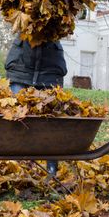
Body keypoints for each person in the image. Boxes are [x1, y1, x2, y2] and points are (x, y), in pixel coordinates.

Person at [5, 34, 67, 176]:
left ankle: (51, 166)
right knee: (18, 118)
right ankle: (23, 164)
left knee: (51, 121)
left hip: (50, 70)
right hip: (20, 68)